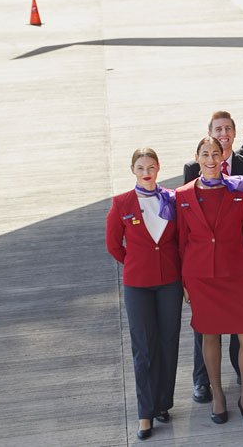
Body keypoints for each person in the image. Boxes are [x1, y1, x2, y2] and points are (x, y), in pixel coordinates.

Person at [176, 137, 243, 427]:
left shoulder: (240, 191)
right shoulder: (182, 195)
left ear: (224, 155)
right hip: (201, 278)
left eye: (216, 153)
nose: (211, 159)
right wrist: (184, 283)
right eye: (206, 154)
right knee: (210, 337)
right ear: (197, 157)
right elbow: (181, 242)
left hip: (237, 276)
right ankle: (217, 396)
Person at [105, 148, 181, 441]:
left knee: (168, 342)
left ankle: (163, 403)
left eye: (151, 166)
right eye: (140, 167)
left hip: (170, 281)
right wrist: (137, 263)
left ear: (159, 168)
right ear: (133, 170)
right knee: (143, 347)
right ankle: (145, 412)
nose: (146, 171)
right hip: (138, 284)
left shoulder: (171, 199)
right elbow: (114, 245)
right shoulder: (122, 202)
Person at [182, 111, 243, 191]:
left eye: (228, 128)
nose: (224, 133)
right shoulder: (193, 168)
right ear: (210, 134)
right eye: (218, 129)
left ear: (234, 132)